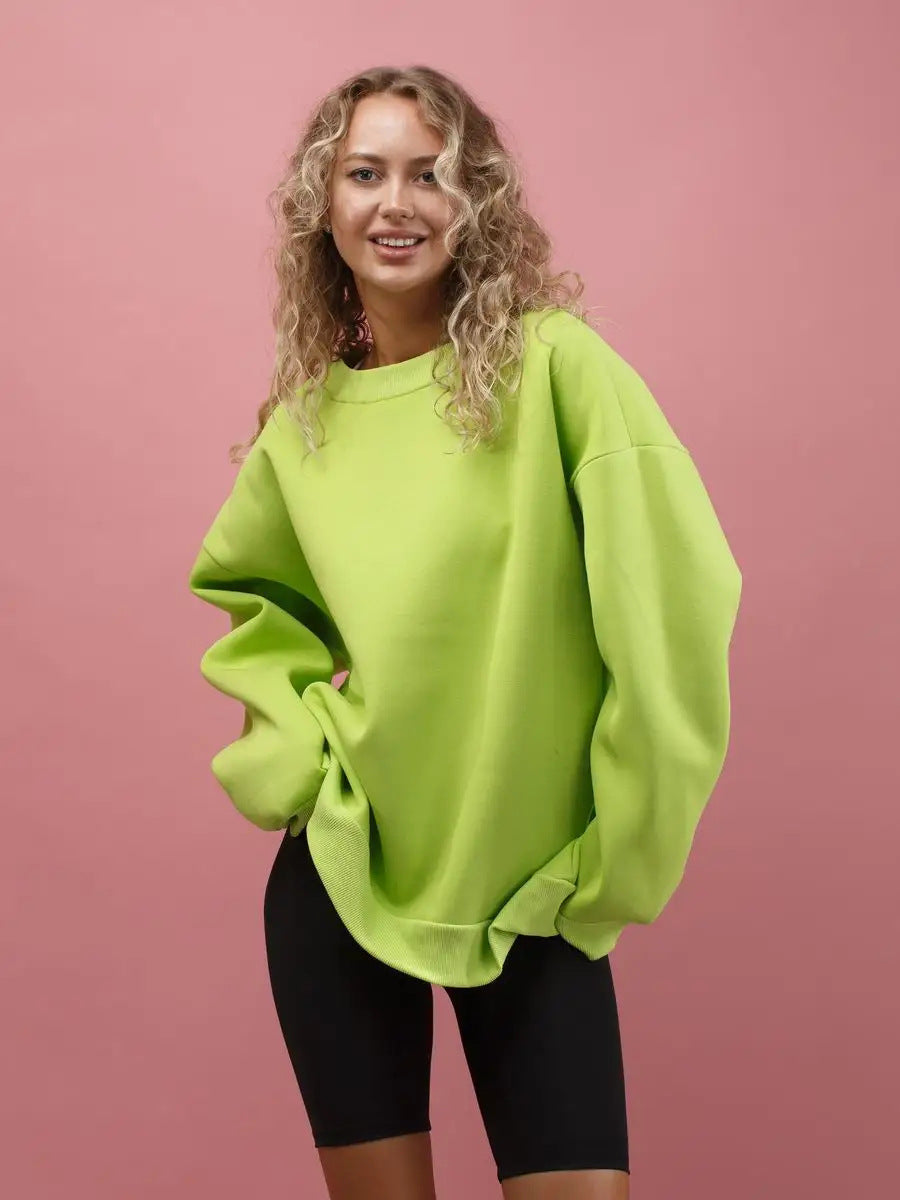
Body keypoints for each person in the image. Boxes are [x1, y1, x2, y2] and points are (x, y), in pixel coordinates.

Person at [187, 64, 742, 1200]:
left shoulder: (559, 369)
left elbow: (673, 606)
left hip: (535, 890)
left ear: (476, 197)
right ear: (322, 203)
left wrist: (617, 857)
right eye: (364, 173)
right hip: (345, 876)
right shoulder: (306, 426)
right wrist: (294, 765)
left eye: (430, 174)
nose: (396, 203)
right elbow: (257, 606)